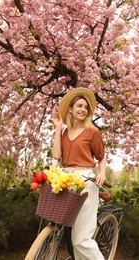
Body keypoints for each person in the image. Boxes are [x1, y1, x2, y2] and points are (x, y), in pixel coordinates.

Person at [52, 87, 106, 260]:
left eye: (86, 107)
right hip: (66, 179)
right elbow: (57, 156)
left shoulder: (92, 132)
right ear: (71, 109)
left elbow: (101, 157)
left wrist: (101, 173)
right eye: (79, 106)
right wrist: (58, 128)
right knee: (65, 232)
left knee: (80, 241)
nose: (83, 110)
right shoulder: (65, 132)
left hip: (85, 181)